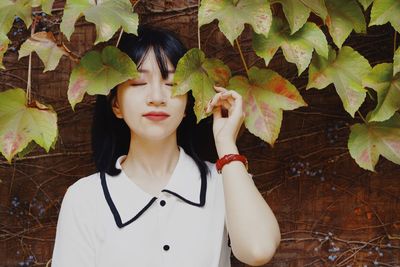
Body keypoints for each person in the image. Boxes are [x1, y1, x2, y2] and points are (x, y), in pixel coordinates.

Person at [51, 25, 281, 267]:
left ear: (187, 104)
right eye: (139, 82)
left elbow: (258, 250)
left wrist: (226, 143)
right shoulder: (85, 198)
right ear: (115, 104)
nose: (157, 97)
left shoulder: (223, 181)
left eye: (171, 84)